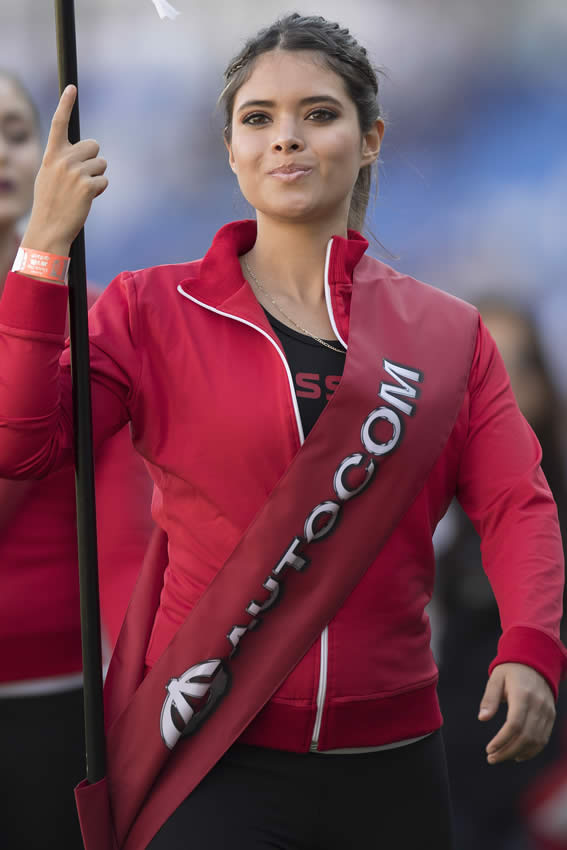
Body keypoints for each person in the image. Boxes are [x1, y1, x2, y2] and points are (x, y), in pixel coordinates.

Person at [0, 14, 565, 850]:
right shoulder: (149, 309)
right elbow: (23, 443)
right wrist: (43, 251)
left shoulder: (446, 332)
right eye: (257, 119)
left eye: (318, 114)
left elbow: (516, 501)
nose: (285, 139)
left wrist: (529, 643)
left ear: (369, 137)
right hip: (209, 752)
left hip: (394, 757)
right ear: (228, 149)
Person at [0, 71, 154, 849]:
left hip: (58, 692)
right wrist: (42, 252)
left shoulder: (97, 322)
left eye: (17, 133)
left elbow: (127, 523)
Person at [436, 297, 567, 850]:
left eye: (513, 368)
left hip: (540, 801)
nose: (498, 392)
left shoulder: (553, 513)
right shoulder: (428, 511)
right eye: (480, 371)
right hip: (450, 794)